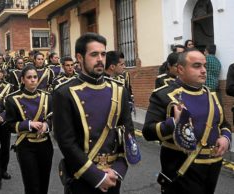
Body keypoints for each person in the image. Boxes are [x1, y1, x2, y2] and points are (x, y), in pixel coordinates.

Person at [53, 33, 134, 194]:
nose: (100, 59)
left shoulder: (119, 90)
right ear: (80, 58)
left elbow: (128, 134)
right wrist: (96, 176)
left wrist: (117, 170)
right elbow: (66, 141)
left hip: (112, 176)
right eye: (94, 54)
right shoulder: (64, 93)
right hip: (82, 176)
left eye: (103, 54)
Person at [142, 49, 231, 194]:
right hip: (181, 170)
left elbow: (223, 124)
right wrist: (173, 123)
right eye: (196, 66)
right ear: (181, 69)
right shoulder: (164, 95)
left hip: (212, 168)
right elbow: (147, 132)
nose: (203, 71)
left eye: (204, 66)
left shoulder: (212, 95)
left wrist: (226, 138)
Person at [5, 65, 53, 194]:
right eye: (29, 77)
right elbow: (9, 125)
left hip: (45, 145)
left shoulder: (47, 97)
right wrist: (29, 124)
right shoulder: (12, 99)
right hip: (26, 146)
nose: (33, 80)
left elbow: (53, 118)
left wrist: (46, 125)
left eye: (35, 77)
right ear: (22, 80)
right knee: (32, 185)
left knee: (44, 183)